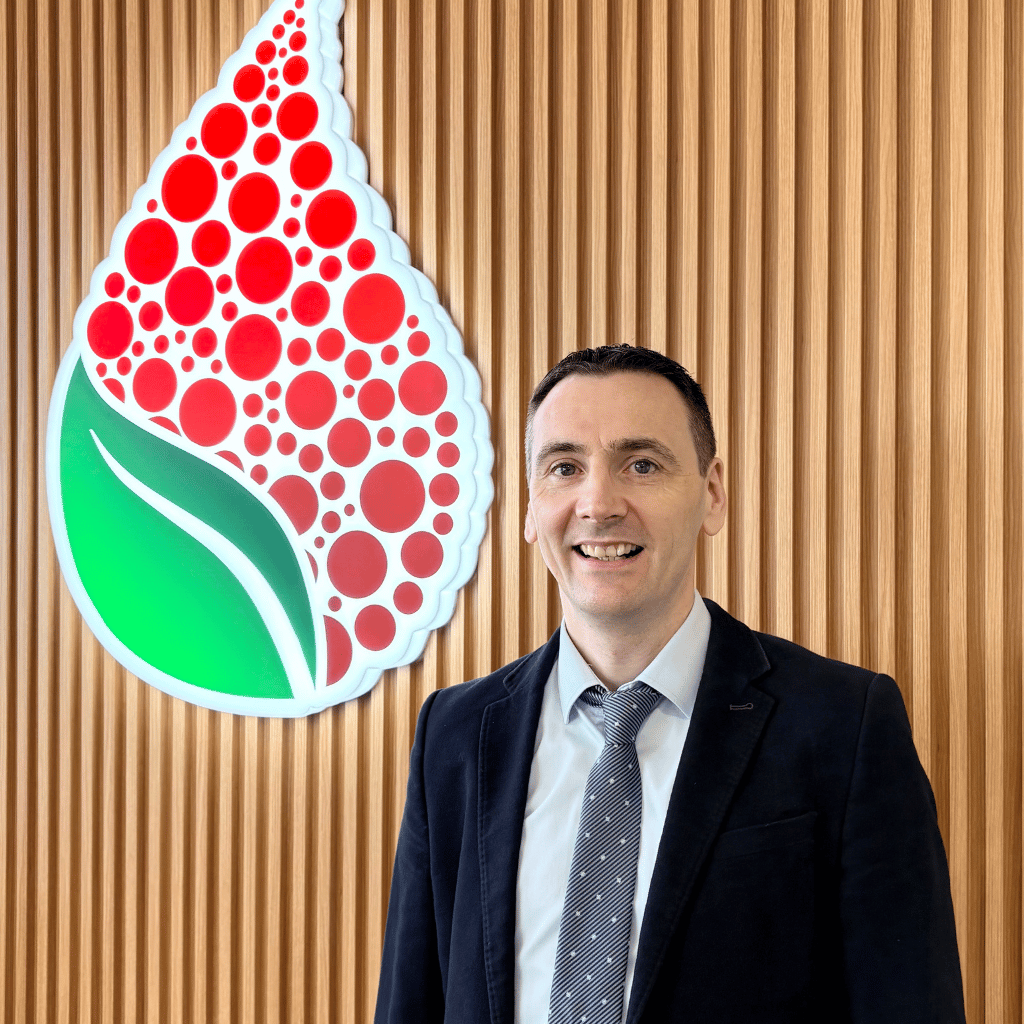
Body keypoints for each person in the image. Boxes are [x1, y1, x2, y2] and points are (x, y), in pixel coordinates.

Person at [375, 344, 965, 1023]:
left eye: (642, 464)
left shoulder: (845, 727)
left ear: (712, 494)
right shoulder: (454, 735)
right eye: (564, 467)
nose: (598, 504)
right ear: (532, 507)